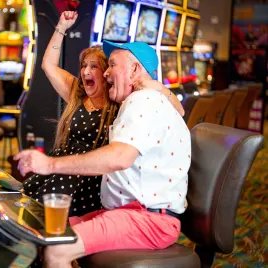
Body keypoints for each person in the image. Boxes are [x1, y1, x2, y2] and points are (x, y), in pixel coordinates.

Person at [15, 40, 191, 268]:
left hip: (147, 218)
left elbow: (119, 157)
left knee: (56, 249)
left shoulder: (144, 101)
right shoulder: (141, 101)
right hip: (129, 212)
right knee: (48, 232)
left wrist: (49, 164)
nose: (106, 72)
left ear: (135, 70)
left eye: (112, 65)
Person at [23, 11, 184, 219]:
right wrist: (61, 28)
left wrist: (157, 86)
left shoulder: (120, 101)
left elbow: (179, 110)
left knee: (50, 223)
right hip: (61, 166)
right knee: (28, 214)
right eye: (83, 66)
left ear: (107, 72)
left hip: (89, 179)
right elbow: (48, 65)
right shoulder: (77, 94)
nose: (85, 72)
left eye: (94, 67)